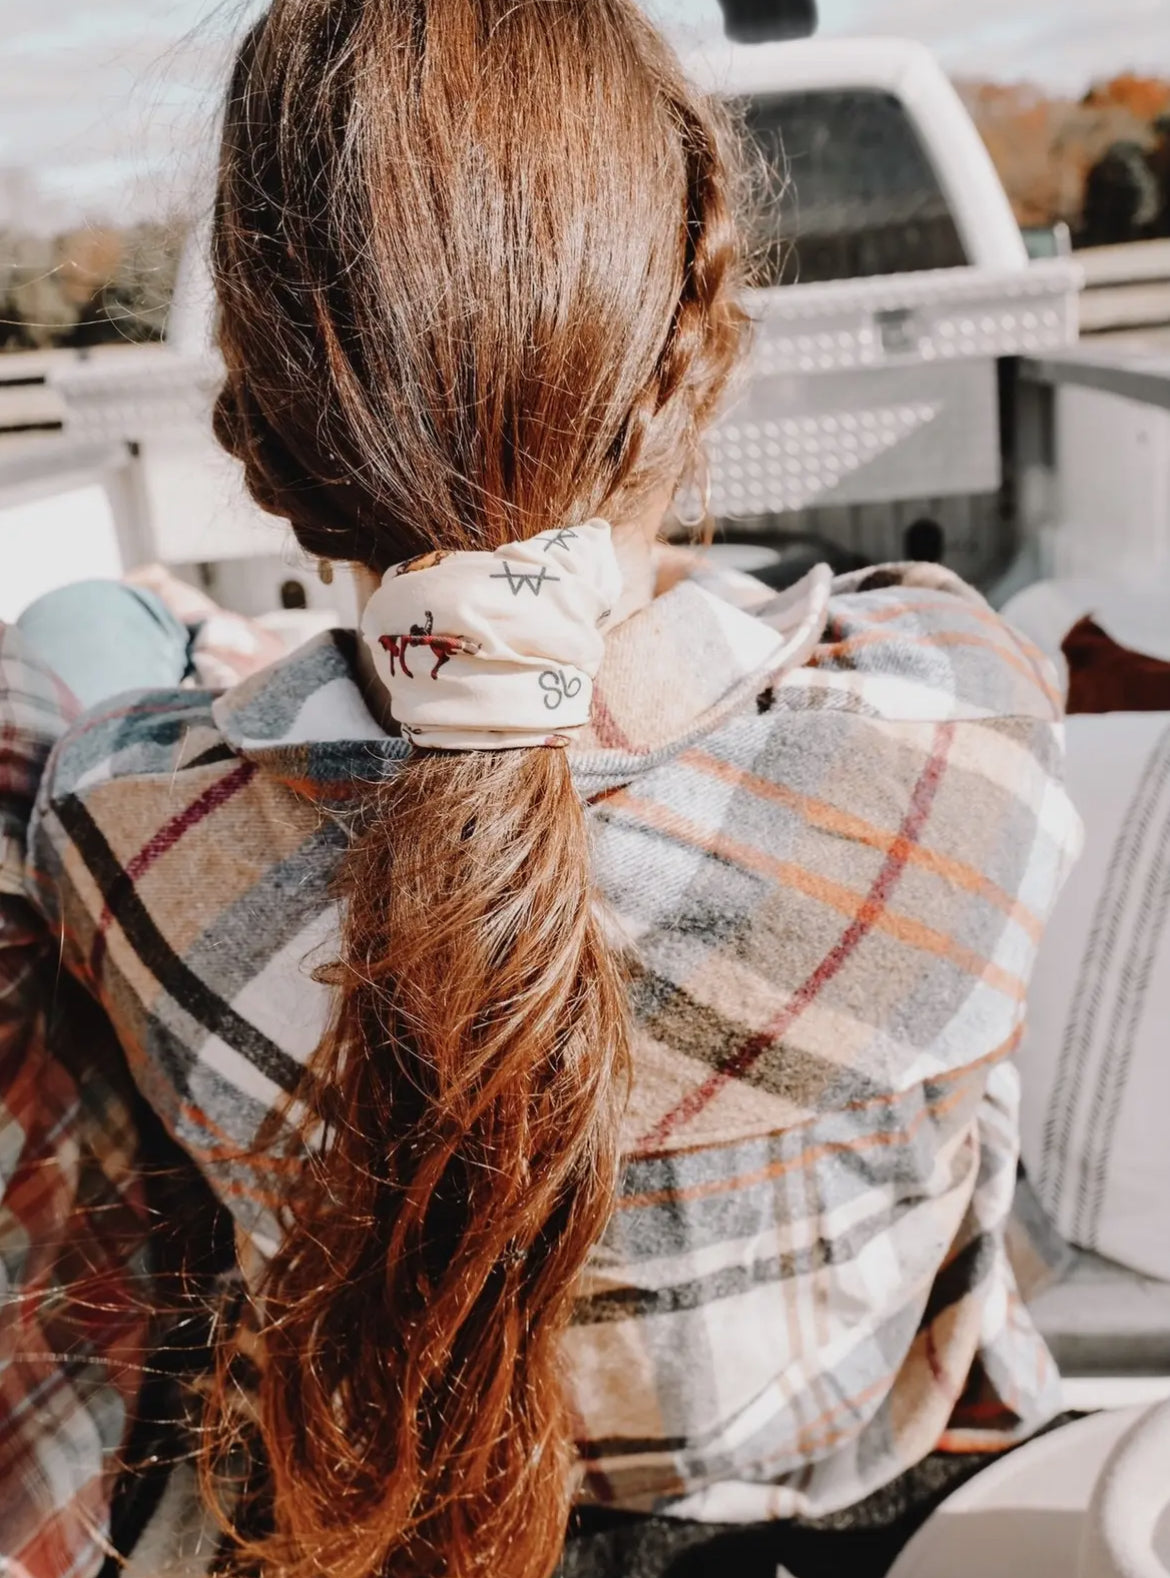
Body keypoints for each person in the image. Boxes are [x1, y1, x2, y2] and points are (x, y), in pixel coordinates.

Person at [0, 3, 1081, 1576]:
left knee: (78, 630)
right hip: (846, 1505)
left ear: (262, 406)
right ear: (692, 357)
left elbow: (145, 736)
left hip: (389, 1526)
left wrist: (274, 679)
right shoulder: (954, 726)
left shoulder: (119, 830)